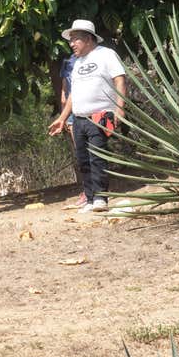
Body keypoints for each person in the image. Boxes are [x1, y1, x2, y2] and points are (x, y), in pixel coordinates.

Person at [48, 20, 126, 213]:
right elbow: (74, 94)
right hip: (79, 119)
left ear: (89, 39)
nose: (72, 44)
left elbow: (120, 79)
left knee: (97, 157)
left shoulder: (106, 55)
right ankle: (90, 198)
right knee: (83, 160)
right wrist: (62, 118)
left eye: (75, 40)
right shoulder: (77, 63)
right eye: (71, 41)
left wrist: (120, 108)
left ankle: (101, 197)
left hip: (100, 115)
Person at [59, 54, 86, 207]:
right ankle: (87, 191)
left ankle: (95, 189)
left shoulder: (93, 58)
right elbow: (64, 90)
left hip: (88, 108)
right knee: (81, 152)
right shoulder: (68, 61)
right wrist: (64, 117)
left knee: (91, 151)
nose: (73, 43)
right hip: (72, 112)